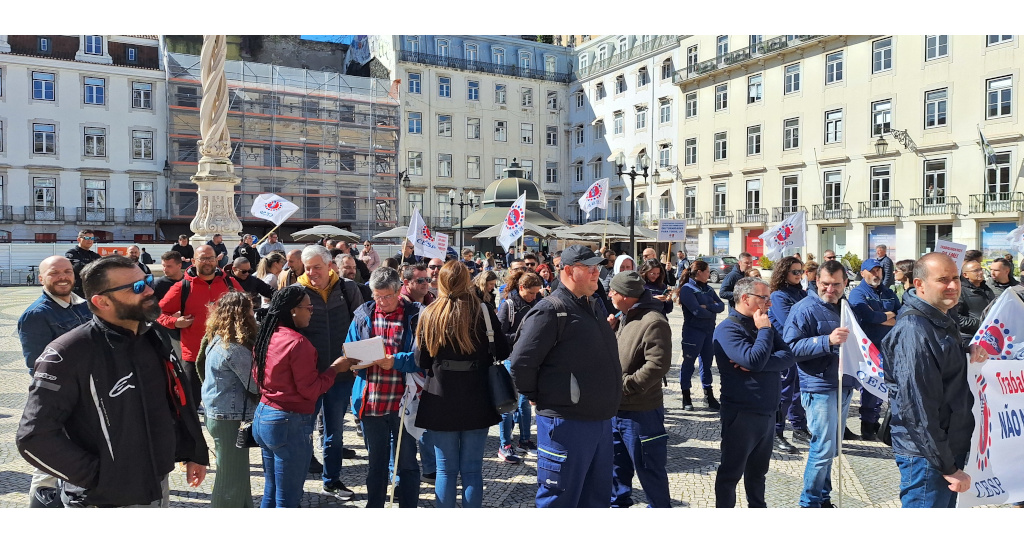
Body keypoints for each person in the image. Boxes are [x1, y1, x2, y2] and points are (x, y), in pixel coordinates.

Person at [17, 255, 209, 507]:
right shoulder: (69, 351)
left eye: (147, 280)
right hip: (104, 497)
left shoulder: (153, 336)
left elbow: (177, 397)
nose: (150, 290)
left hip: (156, 479)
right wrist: (100, 477)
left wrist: (194, 451)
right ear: (102, 301)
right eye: (137, 287)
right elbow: (34, 436)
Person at [509, 245, 621, 508]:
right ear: (569, 271)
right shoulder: (550, 310)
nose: (597, 272)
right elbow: (520, 364)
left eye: (598, 267)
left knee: (595, 499)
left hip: (600, 421)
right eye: (590, 267)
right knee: (560, 502)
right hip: (567, 424)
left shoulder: (592, 305)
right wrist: (543, 397)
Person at [881, 252, 974, 508]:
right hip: (927, 457)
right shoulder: (914, 331)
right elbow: (919, 410)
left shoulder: (940, 319)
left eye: (956, 278)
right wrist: (947, 466)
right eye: (943, 279)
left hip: (943, 448)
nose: (954, 286)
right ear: (919, 284)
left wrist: (967, 350)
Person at [413, 261, 509, 507]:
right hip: (477, 396)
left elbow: (421, 359)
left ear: (441, 283)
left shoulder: (430, 314)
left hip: (440, 396)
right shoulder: (484, 311)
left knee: (445, 470)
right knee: (472, 470)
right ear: (467, 281)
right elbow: (502, 350)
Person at [252, 287, 350, 507]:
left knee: (271, 491)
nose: (312, 312)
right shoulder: (298, 343)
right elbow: (311, 389)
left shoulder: (268, 334)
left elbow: (256, 376)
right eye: (308, 307)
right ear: (294, 311)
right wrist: (335, 369)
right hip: (288, 422)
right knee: (288, 499)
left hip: (265, 415)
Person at [17, 256, 93, 507]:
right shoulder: (36, 315)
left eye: (67, 271)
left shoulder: (83, 307)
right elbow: (38, 369)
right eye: (54, 273)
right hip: (58, 404)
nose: (62, 277)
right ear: (41, 279)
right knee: (49, 465)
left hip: (86, 400)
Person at [714, 277, 796, 508]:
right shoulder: (728, 329)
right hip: (742, 414)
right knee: (730, 474)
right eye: (764, 298)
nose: (769, 304)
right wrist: (764, 334)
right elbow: (754, 358)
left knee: (758, 475)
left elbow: (788, 357)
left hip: (768, 413)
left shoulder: (762, 324)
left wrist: (759, 362)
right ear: (745, 298)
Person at [346, 266, 423, 508]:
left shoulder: (416, 315)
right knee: (376, 464)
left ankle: (409, 507)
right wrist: (354, 361)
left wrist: (396, 361)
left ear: (399, 290)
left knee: (408, 462)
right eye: (377, 296)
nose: (381, 301)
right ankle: (375, 507)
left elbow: (425, 356)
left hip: (404, 402)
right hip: (371, 402)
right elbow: (348, 346)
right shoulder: (363, 314)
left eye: (387, 296)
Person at [293, 245, 364, 500]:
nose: (312, 273)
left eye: (317, 267)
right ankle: (294, 485)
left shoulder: (348, 288)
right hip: (308, 377)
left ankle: (331, 481)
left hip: (340, 375)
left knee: (334, 433)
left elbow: (361, 326)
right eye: (308, 267)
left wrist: (357, 364)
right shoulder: (296, 291)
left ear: (330, 265)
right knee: (303, 432)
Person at [782, 259, 852, 508]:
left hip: (843, 384)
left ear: (845, 283)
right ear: (816, 282)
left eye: (836, 284)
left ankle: (823, 498)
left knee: (832, 448)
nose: (830, 290)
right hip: (819, 386)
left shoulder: (846, 306)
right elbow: (791, 347)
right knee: (822, 447)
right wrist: (827, 340)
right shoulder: (804, 308)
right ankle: (809, 503)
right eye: (825, 284)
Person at [606, 271, 673, 508]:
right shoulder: (624, 315)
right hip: (616, 410)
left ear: (625, 295)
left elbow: (657, 365)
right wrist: (609, 331)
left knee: (650, 471)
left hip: (641, 412)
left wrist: (626, 386)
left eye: (612, 291)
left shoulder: (653, 321)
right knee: (616, 470)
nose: (609, 295)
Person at [157, 245, 242, 408]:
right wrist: (175, 322)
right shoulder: (182, 287)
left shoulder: (229, 282)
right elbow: (158, 313)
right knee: (189, 404)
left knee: (226, 404)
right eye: (203, 258)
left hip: (226, 353)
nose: (207, 262)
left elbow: (247, 308)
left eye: (211, 258)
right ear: (194, 261)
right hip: (194, 355)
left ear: (217, 260)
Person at [201, 292, 259, 507]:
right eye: (251, 309)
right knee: (230, 481)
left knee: (238, 476)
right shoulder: (233, 347)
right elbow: (255, 384)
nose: (254, 313)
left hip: (220, 414)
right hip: (228, 418)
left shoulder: (217, 338)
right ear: (242, 314)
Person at [848, 259, 900, 442]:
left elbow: (901, 314)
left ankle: (875, 421)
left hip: (887, 347)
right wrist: (887, 316)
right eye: (872, 271)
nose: (876, 274)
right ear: (862, 273)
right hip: (867, 349)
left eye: (878, 270)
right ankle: (867, 425)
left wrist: (883, 317)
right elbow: (867, 316)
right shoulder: (857, 293)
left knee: (884, 386)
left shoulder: (888, 292)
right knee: (870, 387)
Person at [496, 269, 544, 463]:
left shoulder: (539, 303)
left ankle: (524, 440)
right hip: (511, 358)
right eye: (531, 292)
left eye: (537, 292)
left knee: (525, 404)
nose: (534, 296)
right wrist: (520, 338)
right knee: (509, 404)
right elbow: (499, 335)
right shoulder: (509, 305)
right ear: (521, 288)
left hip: (531, 360)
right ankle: (504, 445)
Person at [767, 256, 808, 454]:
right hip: (784, 350)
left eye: (801, 271)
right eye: (795, 271)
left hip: (800, 350)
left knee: (799, 392)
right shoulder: (778, 296)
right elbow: (789, 323)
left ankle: (799, 427)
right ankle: (776, 432)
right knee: (783, 394)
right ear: (784, 273)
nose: (799, 275)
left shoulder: (802, 293)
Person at [677, 260, 726, 411]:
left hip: (708, 331)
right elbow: (696, 312)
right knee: (688, 364)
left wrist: (708, 307)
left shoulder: (709, 289)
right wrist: (710, 310)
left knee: (707, 363)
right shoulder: (687, 289)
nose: (709, 274)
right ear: (699, 272)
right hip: (693, 332)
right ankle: (686, 397)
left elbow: (721, 306)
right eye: (707, 271)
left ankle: (708, 395)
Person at [955, 259, 994, 347]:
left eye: (981, 269)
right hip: (969, 339)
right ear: (965, 275)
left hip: (988, 336)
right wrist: (980, 323)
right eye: (976, 270)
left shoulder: (987, 289)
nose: (980, 272)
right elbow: (957, 318)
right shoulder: (960, 291)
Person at [65, 230, 102, 298]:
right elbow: (78, 268)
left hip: (92, 291)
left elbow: (102, 270)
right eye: (87, 238)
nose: (90, 240)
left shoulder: (95, 256)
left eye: (92, 238)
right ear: (79, 239)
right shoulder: (72, 253)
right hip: (77, 292)